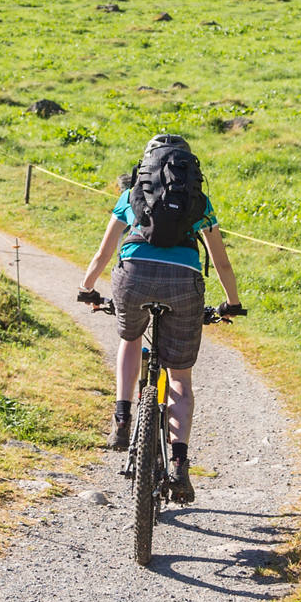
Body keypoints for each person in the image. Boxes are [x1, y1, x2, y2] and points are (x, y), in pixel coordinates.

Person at [77, 134, 244, 503]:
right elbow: (222, 262)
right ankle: (179, 466)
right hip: (184, 284)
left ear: (147, 165)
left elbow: (104, 253)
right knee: (180, 377)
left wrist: (87, 288)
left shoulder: (132, 194)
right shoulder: (198, 201)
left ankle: (122, 419)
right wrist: (231, 304)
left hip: (133, 277)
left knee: (130, 338)